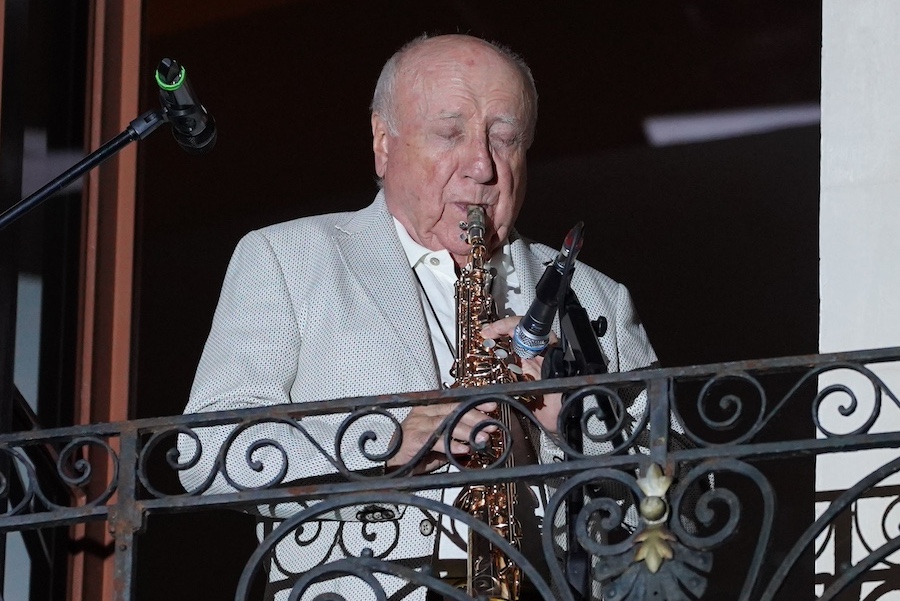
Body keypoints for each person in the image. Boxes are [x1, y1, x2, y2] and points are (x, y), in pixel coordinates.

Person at [178, 33, 657, 601]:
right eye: (450, 135)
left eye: (505, 139)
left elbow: (684, 495)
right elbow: (207, 450)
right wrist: (385, 447)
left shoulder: (594, 296)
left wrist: (575, 426)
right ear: (383, 144)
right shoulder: (287, 258)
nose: (482, 166)